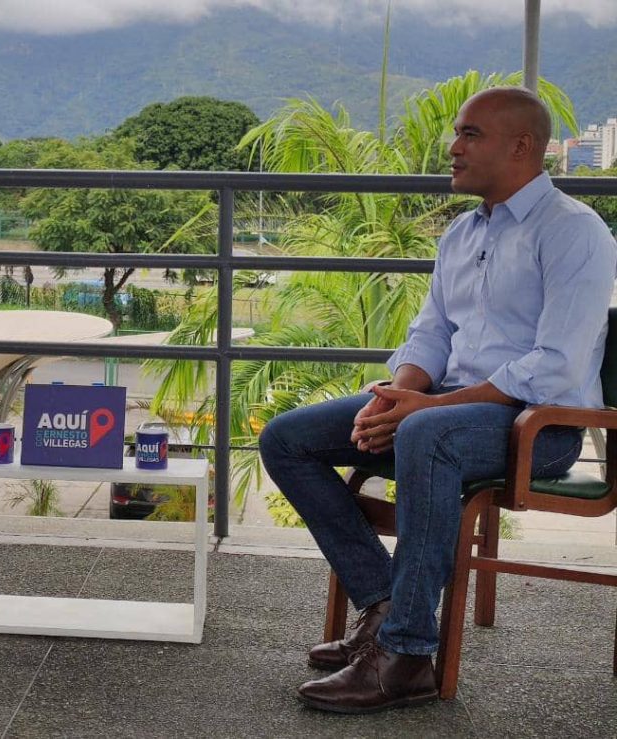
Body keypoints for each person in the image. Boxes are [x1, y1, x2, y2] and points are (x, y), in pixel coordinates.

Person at [259, 86, 617, 713]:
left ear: (521, 147)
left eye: (469, 134)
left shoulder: (574, 232)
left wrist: (425, 412)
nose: (452, 147)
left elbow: (556, 366)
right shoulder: (462, 232)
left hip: (539, 427)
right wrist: (399, 396)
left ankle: (406, 657)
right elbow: (431, 334)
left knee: (426, 435)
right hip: (445, 412)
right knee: (287, 438)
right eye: (456, 133)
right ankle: (384, 603)